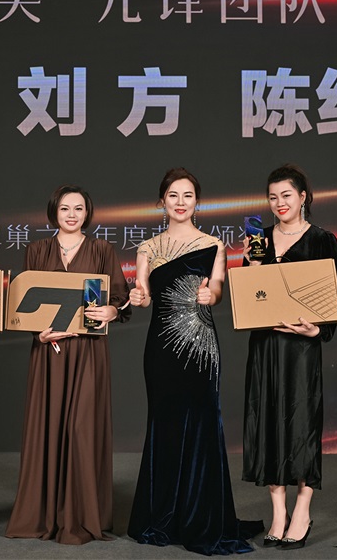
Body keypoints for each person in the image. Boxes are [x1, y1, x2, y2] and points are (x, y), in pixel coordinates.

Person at [127, 168, 263, 555]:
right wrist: (138, 296)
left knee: (203, 426)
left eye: (188, 195)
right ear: (162, 202)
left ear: (197, 202)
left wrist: (211, 296)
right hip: (161, 349)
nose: (181, 202)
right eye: (173, 195)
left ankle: (200, 515)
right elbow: (143, 293)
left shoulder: (214, 245)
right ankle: (164, 515)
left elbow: (217, 287)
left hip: (201, 348)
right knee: (164, 425)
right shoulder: (148, 248)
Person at [5, 184, 131, 544]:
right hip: (48, 353)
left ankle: (81, 515)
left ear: (87, 213)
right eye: (65, 208)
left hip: (89, 353)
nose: (72, 215)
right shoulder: (36, 250)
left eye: (78, 208)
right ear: (54, 212)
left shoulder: (102, 249)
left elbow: (120, 300)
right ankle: (44, 514)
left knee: (81, 429)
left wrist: (112, 311)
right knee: (47, 428)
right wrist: (39, 334)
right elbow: (23, 307)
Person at [240, 164, 337, 550]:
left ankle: (302, 509)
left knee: (302, 425)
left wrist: (317, 331)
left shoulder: (322, 240)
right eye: (272, 197)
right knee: (266, 422)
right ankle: (278, 512)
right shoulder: (259, 240)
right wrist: (251, 266)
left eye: (286, 195)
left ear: (303, 197)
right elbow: (248, 298)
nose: (279, 203)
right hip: (265, 347)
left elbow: (332, 299)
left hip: (300, 349)